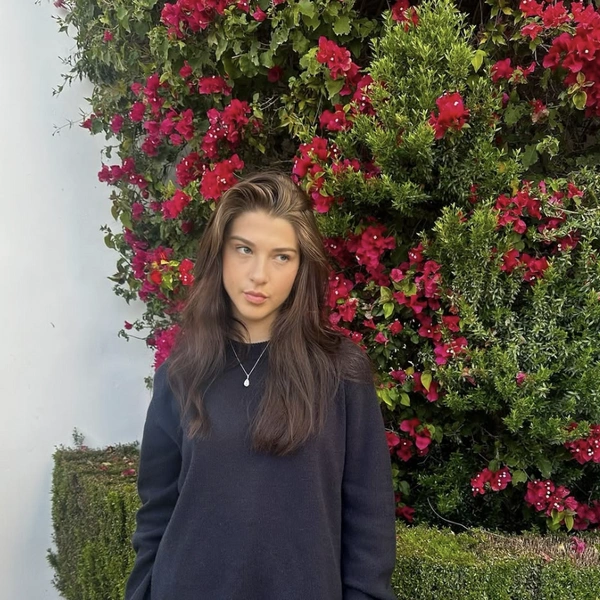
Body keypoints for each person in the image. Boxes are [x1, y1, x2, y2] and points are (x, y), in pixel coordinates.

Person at [124, 171, 397, 600]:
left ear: (301, 267)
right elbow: (156, 511)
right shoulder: (182, 372)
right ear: (220, 253)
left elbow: (370, 520)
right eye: (244, 249)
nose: (259, 275)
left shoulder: (341, 371)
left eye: (281, 257)